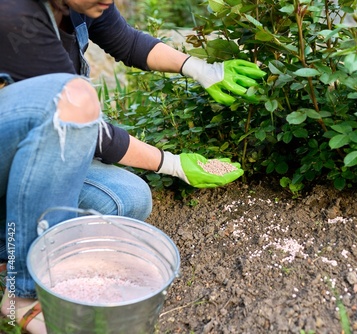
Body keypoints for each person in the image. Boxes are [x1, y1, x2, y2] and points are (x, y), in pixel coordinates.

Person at [0, 0, 266, 332]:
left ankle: (8, 243)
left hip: (26, 159)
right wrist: (172, 164)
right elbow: (90, 128)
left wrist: (200, 68)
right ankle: (23, 293)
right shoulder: (13, 15)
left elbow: (126, 41)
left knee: (127, 199)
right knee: (74, 98)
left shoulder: (83, 4)